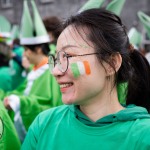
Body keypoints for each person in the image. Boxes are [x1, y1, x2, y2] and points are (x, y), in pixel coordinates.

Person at [22, 8, 150, 149]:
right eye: (57, 58)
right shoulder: (43, 125)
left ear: (111, 63)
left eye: (69, 56)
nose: (56, 71)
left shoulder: (143, 136)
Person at [2, 0, 62, 142]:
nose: (24, 54)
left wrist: (20, 103)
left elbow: (53, 107)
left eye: (27, 50)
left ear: (39, 49)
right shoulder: (34, 71)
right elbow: (22, 91)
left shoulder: (52, 71)